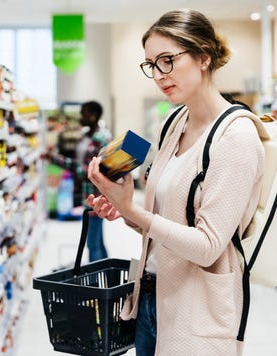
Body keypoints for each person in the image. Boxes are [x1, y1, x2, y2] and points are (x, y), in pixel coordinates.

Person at [86, 9, 265, 356]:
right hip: (151, 299)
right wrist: (124, 211)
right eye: (151, 64)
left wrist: (133, 211)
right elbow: (168, 224)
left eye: (167, 60)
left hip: (196, 310)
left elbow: (207, 245)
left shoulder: (236, 137)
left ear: (203, 56)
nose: (158, 74)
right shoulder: (174, 123)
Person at [44, 100, 111, 262]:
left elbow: (88, 170)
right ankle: (106, 273)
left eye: (84, 113)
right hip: (86, 193)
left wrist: (55, 159)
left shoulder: (102, 139)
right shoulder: (87, 135)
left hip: (96, 194)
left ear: (93, 116)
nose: (80, 117)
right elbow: (80, 163)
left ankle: (96, 281)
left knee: (92, 243)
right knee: (97, 240)